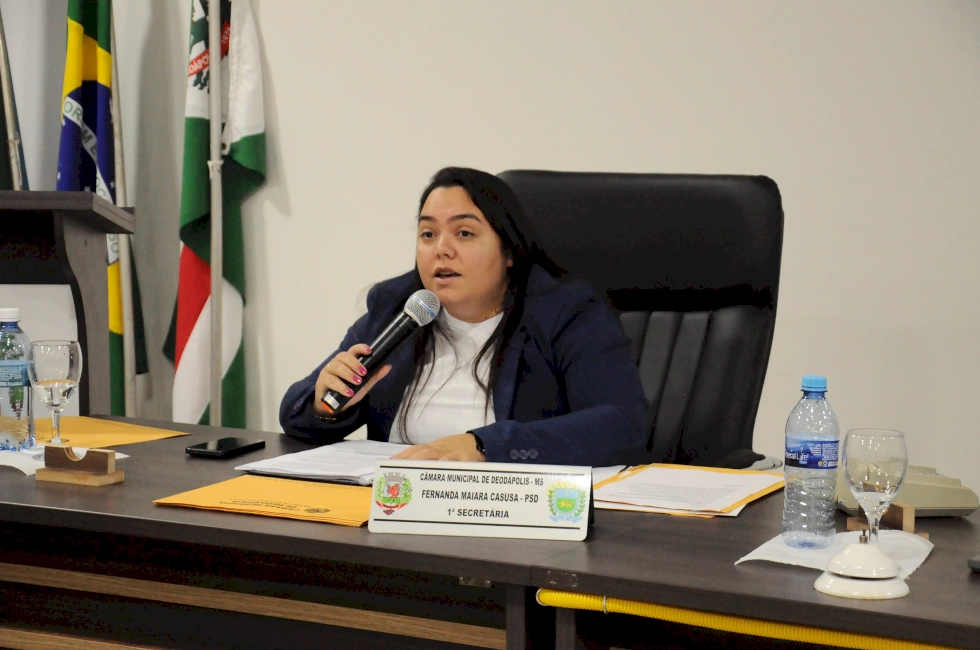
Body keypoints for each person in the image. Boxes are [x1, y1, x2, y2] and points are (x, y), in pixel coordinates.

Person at [279, 167, 648, 465]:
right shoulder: (397, 309)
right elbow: (297, 416)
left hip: (510, 513)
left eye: (464, 233)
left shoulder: (565, 312)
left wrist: (483, 445)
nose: (442, 249)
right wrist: (324, 406)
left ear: (509, 251)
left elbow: (622, 425)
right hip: (396, 505)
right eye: (428, 233)